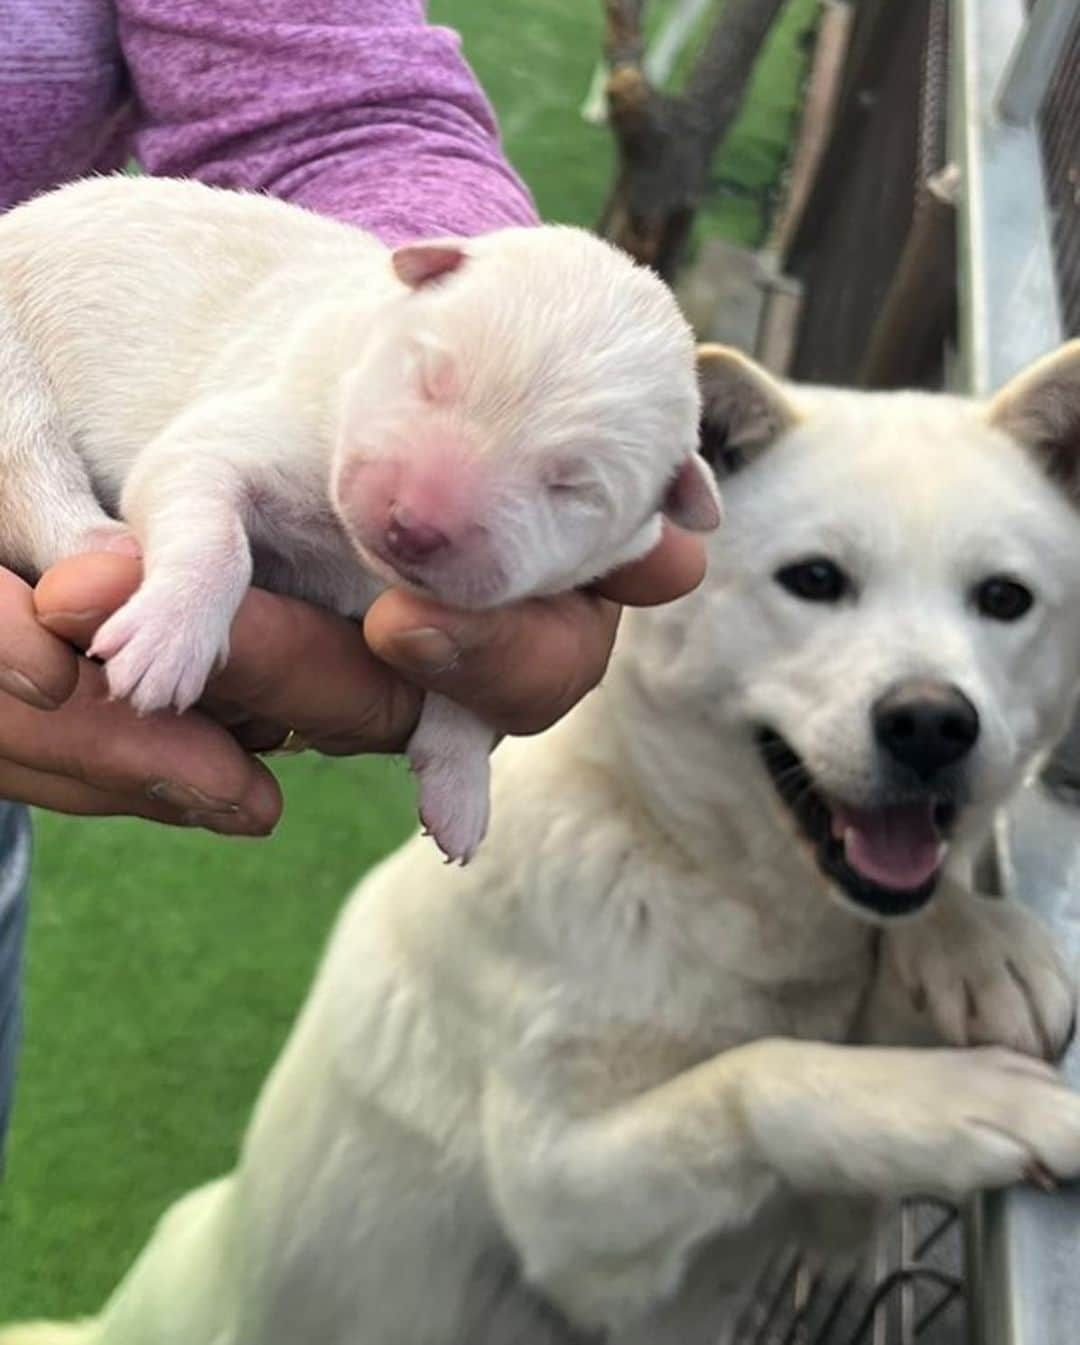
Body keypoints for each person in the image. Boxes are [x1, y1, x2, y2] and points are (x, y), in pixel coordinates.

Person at [0, 0, 706, 1167]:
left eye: (567, 490)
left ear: (663, 509)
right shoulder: (314, 380)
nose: (426, 512)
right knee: (78, 530)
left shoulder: (420, 349)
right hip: (28, 320)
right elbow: (205, 464)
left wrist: (460, 722)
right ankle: (74, 536)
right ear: (406, 290)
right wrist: (181, 572)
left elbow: (343, 103)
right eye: (432, 385)